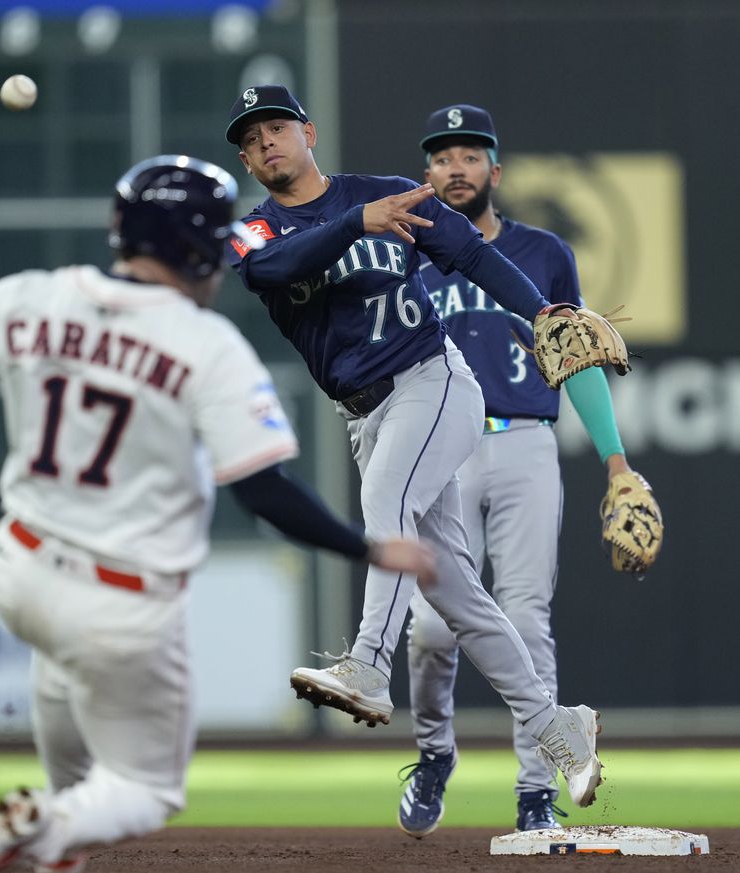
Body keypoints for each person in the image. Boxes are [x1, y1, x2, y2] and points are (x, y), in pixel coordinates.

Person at [0, 155, 438, 873]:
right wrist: (371, 549)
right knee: (145, 788)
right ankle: (30, 822)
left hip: (20, 570)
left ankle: (45, 823)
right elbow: (264, 491)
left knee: (75, 793)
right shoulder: (207, 347)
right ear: (200, 251)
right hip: (119, 606)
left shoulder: (31, 298)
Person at [223, 85, 604, 812]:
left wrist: (542, 311)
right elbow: (270, 271)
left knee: (385, 500)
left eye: (276, 127)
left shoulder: (389, 193)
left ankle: (369, 664)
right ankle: (558, 725)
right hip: (365, 415)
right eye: (251, 138)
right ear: (246, 160)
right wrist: (355, 224)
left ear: (308, 132)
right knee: (458, 597)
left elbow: (472, 254)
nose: (265, 142)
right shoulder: (253, 232)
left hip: (432, 382)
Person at [397, 105, 644, 838]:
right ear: (426, 173)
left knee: (527, 617)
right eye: (443, 156)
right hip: (438, 448)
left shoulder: (543, 252)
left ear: (495, 172)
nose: (456, 167)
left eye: (470, 155)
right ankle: (434, 753)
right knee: (431, 629)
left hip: (525, 442)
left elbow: (576, 355)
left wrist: (616, 461)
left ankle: (537, 789)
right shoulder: (405, 252)